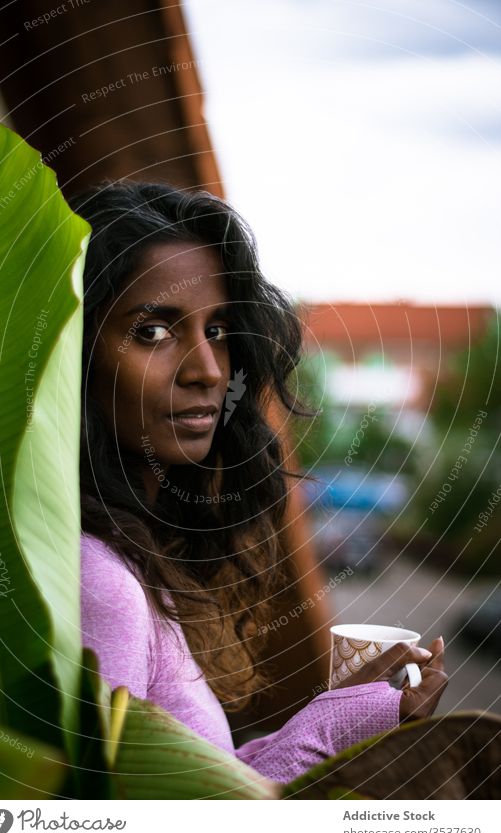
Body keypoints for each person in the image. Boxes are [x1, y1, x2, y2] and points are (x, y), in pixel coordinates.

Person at [68, 181, 448, 785]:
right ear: (74, 349)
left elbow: (202, 787)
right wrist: (326, 728)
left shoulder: (127, 559)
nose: (208, 370)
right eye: (153, 331)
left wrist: (345, 717)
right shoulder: (98, 581)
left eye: (216, 330)